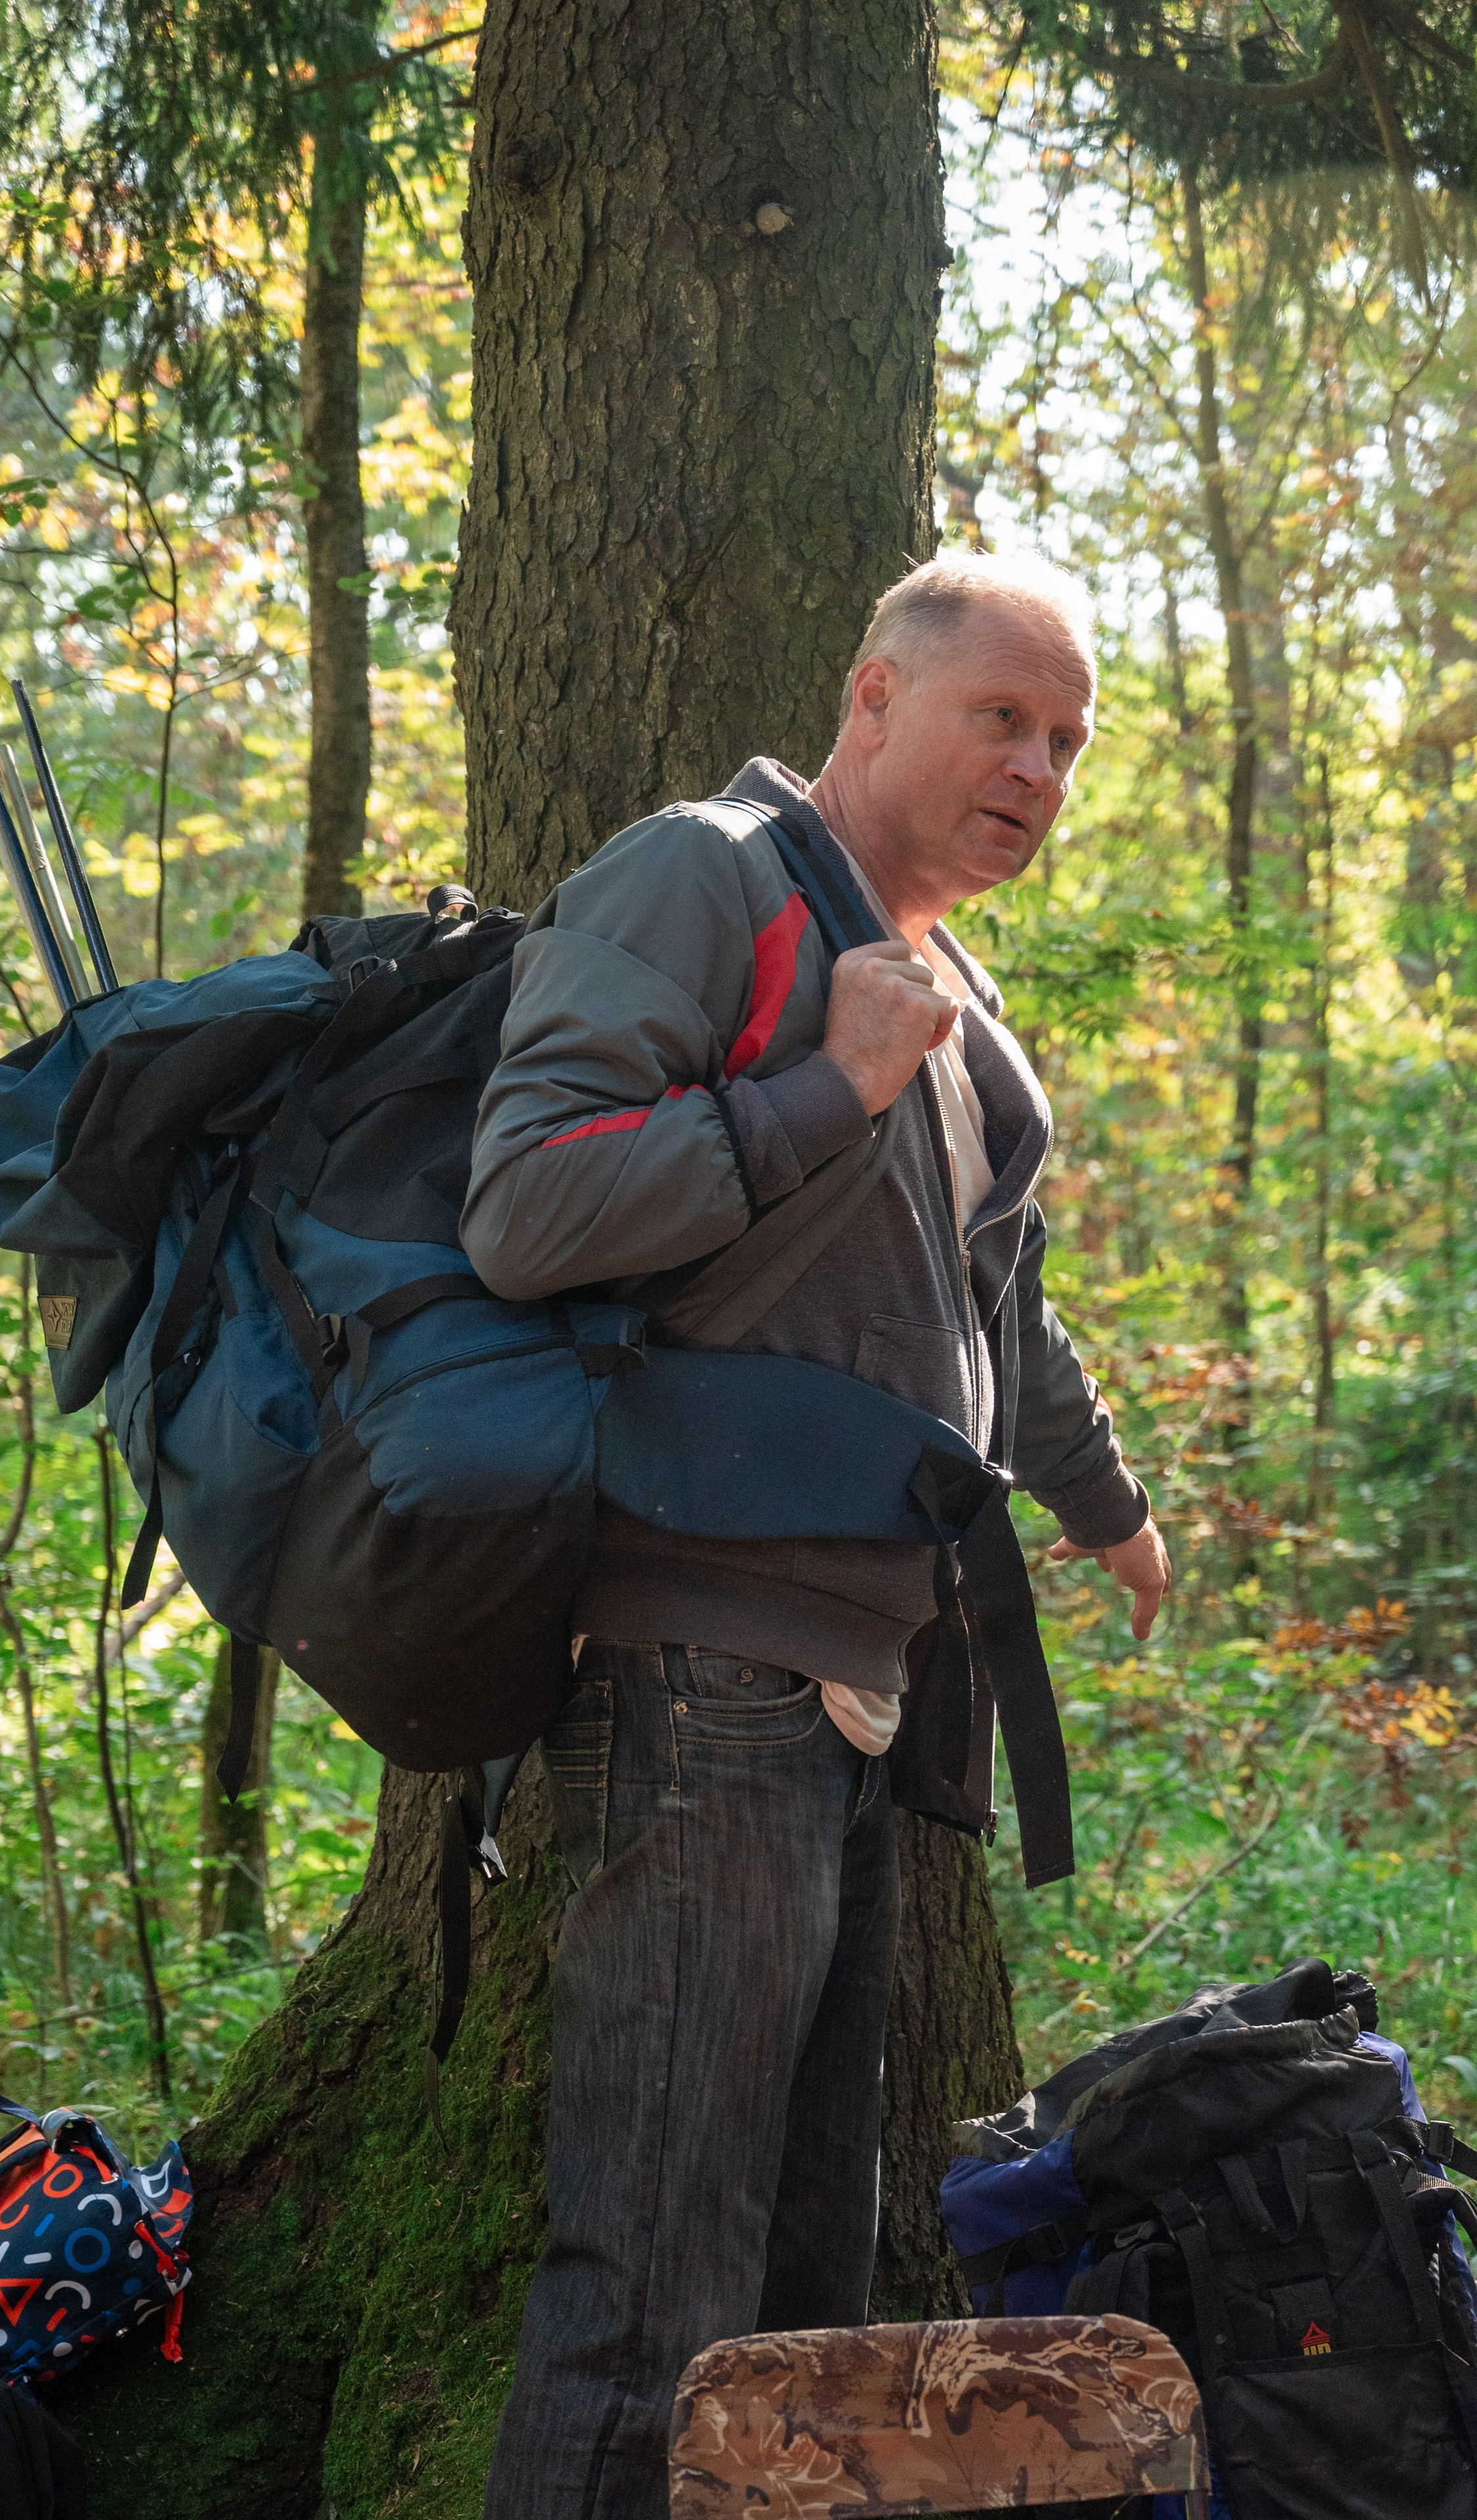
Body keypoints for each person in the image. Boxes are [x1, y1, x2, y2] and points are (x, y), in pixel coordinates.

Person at [462, 550, 1171, 2520]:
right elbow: (522, 1208)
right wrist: (821, 1086)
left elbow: (988, 1302)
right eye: (999, 718)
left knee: (802, 2306)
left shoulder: (952, 978)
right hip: (699, 1672)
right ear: (875, 702)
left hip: (855, 1687)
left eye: (1067, 741)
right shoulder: (705, 875)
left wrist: (1103, 1504)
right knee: (656, 2293)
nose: (1038, 767)